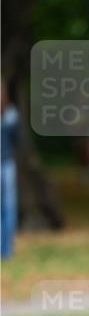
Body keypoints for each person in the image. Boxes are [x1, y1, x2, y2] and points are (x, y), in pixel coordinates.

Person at [1, 77, 20, 258]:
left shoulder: (11, 115)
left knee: (7, 207)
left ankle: (6, 250)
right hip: (6, 164)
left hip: (6, 164)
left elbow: (17, 142)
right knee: (5, 208)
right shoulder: (11, 115)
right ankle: (4, 248)